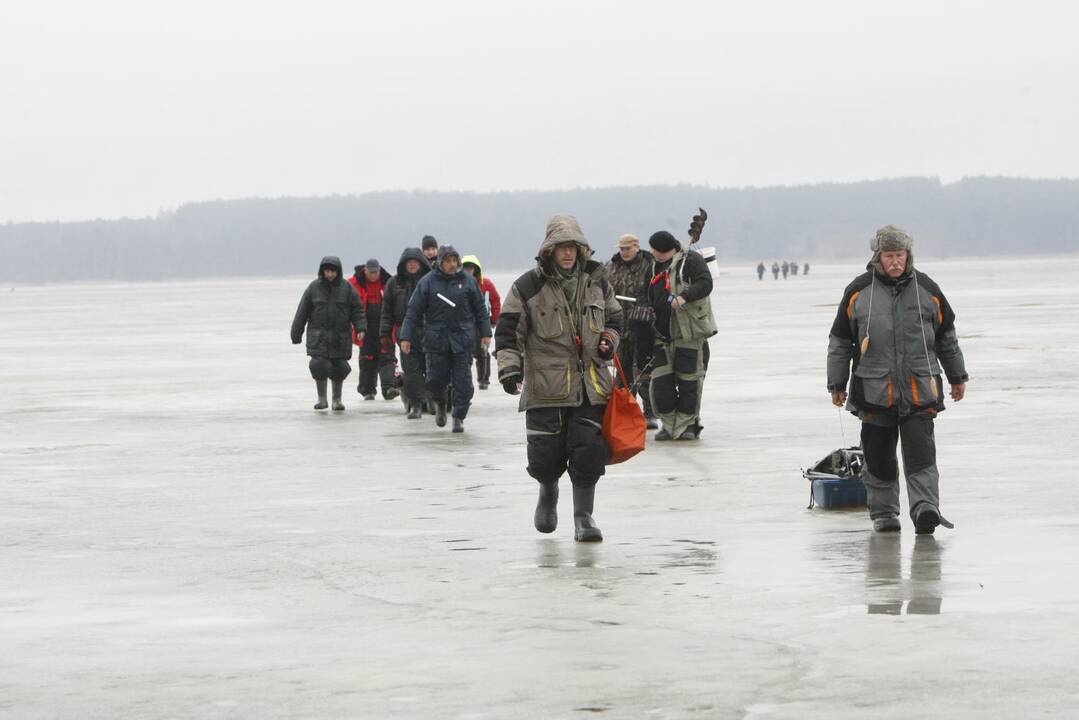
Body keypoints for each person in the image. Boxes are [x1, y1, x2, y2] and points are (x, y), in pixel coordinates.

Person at [827, 225, 969, 534]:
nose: (895, 262)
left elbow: (947, 337)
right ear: (878, 257)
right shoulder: (858, 291)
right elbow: (840, 341)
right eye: (889, 256)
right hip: (874, 392)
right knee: (879, 459)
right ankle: (885, 514)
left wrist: (957, 376)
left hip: (920, 390)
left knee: (921, 457)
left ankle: (925, 508)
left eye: (900, 256)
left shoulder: (928, 290)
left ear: (908, 256)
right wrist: (836, 384)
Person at [495, 214, 622, 542]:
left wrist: (609, 339)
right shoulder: (527, 286)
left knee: (588, 452)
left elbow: (616, 319)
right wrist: (509, 369)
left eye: (573, 247)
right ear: (549, 250)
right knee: (545, 456)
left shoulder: (598, 281)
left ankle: (584, 517)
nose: (567, 253)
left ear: (582, 250)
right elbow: (508, 331)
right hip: (545, 387)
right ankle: (547, 491)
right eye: (561, 247)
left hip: (591, 386)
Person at [400, 246, 492, 433]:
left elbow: (480, 310)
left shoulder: (468, 282)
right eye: (447, 261)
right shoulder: (428, 282)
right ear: (440, 263)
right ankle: (440, 404)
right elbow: (413, 311)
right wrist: (406, 336)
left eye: (454, 261)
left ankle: (458, 417)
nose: (451, 265)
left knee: (464, 384)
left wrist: (486, 333)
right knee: (435, 381)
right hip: (436, 341)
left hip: (462, 340)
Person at [646, 231, 716, 441]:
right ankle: (669, 425)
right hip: (660, 333)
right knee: (661, 383)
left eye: (662, 254)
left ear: (672, 250)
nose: (658, 257)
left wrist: (684, 297)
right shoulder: (652, 265)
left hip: (689, 333)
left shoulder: (691, 260)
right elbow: (645, 290)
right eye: (655, 253)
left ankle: (688, 424)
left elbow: (706, 283)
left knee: (689, 381)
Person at [290, 256, 366, 411]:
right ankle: (322, 399)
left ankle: (337, 400)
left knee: (340, 368)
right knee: (319, 365)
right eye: (327, 271)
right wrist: (296, 334)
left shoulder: (347, 288)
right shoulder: (313, 288)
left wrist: (361, 328)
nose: (330, 274)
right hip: (319, 337)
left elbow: (357, 310)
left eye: (332, 271)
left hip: (340, 337)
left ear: (338, 272)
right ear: (322, 271)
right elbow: (302, 312)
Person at [605, 233, 658, 428]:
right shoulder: (611, 267)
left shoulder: (649, 266)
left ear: (637, 247)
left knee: (644, 372)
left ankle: (650, 414)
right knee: (622, 374)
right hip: (619, 328)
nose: (624, 252)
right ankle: (626, 412)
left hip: (643, 328)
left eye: (627, 248)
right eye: (621, 248)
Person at [381, 247, 431, 419]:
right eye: (408, 262)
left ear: (421, 263)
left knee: (433, 370)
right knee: (411, 372)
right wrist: (384, 335)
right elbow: (386, 312)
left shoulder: (431, 281)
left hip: (430, 333)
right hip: (405, 335)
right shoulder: (394, 284)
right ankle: (416, 405)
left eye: (415, 262)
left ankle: (433, 402)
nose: (411, 265)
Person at [349, 259, 398, 401]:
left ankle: (389, 388)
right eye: (370, 272)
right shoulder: (353, 283)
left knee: (387, 357)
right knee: (367, 359)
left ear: (379, 270)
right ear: (365, 270)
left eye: (375, 272)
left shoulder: (389, 282)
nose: (373, 275)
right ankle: (367, 390)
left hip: (386, 325)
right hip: (364, 326)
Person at [461, 255, 502, 389]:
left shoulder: (486, 284)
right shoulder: (457, 283)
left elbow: (495, 301)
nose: (468, 270)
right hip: (463, 323)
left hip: (481, 323)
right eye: (465, 268)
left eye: (470, 268)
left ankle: (483, 380)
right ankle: (464, 381)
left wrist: (495, 319)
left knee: (482, 352)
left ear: (476, 269)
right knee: (463, 352)